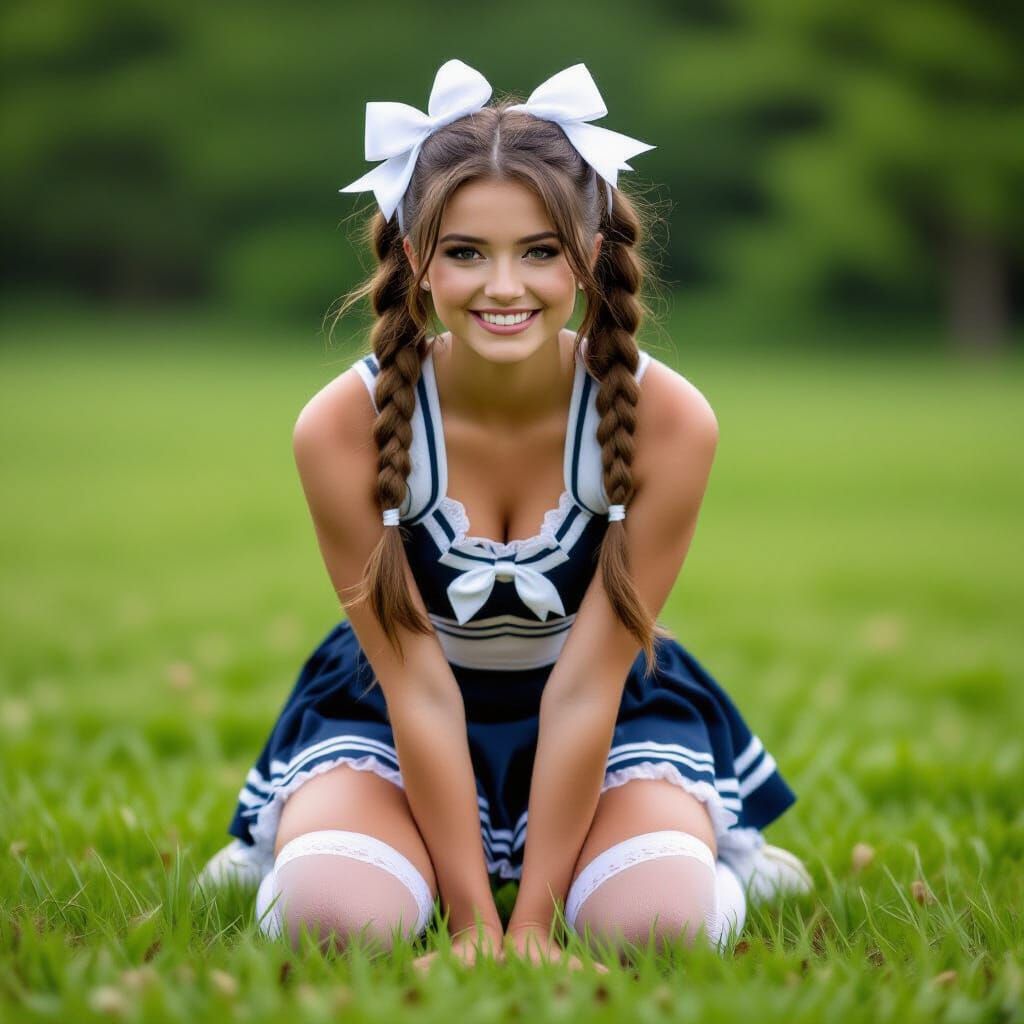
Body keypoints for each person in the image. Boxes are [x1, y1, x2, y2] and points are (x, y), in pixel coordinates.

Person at [197, 59, 812, 969]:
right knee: (332, 920)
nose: (503, 287)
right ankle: (290, 845)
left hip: (608, 712)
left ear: (592, 252)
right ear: (413, 255)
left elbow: (587, 684)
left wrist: (528, 931)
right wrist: (474, 927)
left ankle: (721, 852)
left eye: (539, 250)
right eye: (465, 251)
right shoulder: (341, 426)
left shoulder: (669, 420)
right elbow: (415, 684)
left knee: (657, 929)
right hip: (393, 713)